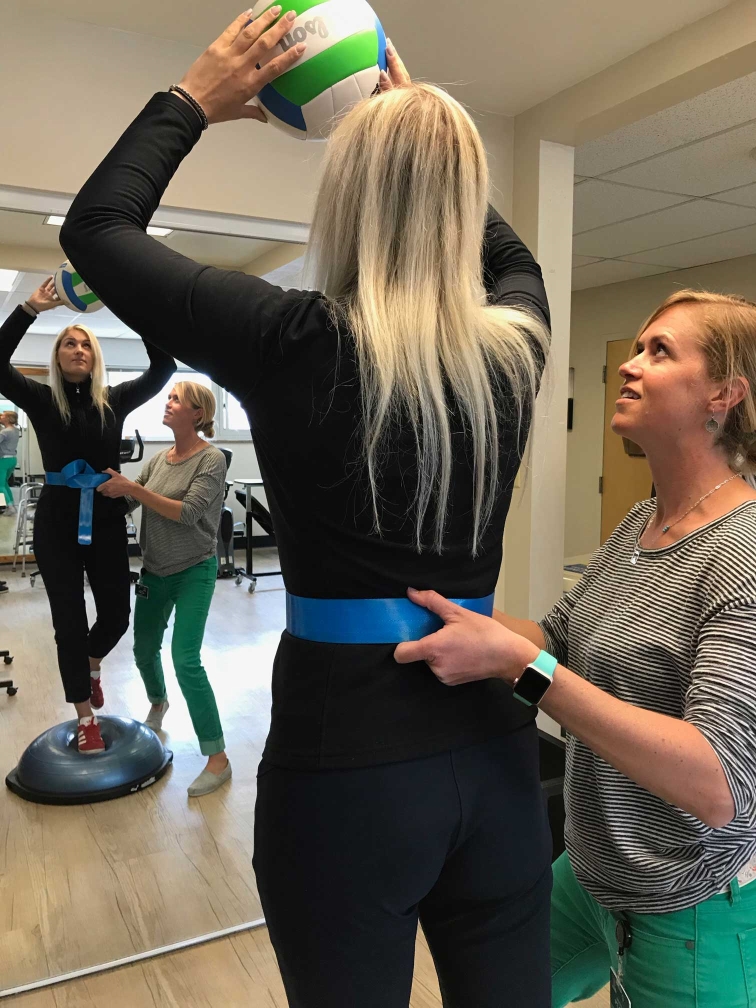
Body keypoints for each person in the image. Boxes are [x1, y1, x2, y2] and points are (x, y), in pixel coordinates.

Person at [59, 12, 552, 1007]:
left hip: (349, 771)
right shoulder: (515, 350)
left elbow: (97, 232)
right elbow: (517, 268)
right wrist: (424, 129)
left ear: (345, 197)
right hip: (499, 764)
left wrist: (192, 98)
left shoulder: (296, 338)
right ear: (463, 203)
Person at [397, 289, 756, 1008]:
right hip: (593, 872)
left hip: (691, 903)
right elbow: (557, 638)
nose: (629, 365)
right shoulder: (641, 523)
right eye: (635, 347)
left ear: (724, 393)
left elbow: (721, 785)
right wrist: (453, 603)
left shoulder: (742, 555)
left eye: (660, 351)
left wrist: (521, 668)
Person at [0, 278, 176, 754]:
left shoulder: (113, 400)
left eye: (86, 345)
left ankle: (90, 663)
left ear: (95, 357)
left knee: (117, 613)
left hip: (104, 516)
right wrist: (29, 309)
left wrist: (133, 305)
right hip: (57, 522)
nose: (78, 350)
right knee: (68, 622)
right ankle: (84, 714)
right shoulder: (40, 399)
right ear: (58, 357)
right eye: (69, 345)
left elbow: (164, 368)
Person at [97, 381, 230, 796]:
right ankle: (158, 702)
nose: (167, 403)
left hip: (194, 570)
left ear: (197, 412)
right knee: (143, 648)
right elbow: (130, 500)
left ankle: (218, 758)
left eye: (175, 399)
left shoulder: (211, 460)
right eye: (168, 397)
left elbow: (188, 514)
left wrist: (134, 489)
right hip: (154, 571)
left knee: (185, 658)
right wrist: (93, 489)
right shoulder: (158, 460)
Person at [0, 410, 20, 516]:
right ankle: (11, 505)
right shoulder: (16, 430)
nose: (1, 416)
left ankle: (9, 506)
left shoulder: (5, 432)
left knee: (0, 485)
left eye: (2, 415)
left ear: (7, 418)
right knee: (4, 483)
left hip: (3, 460)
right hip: (12, 460)